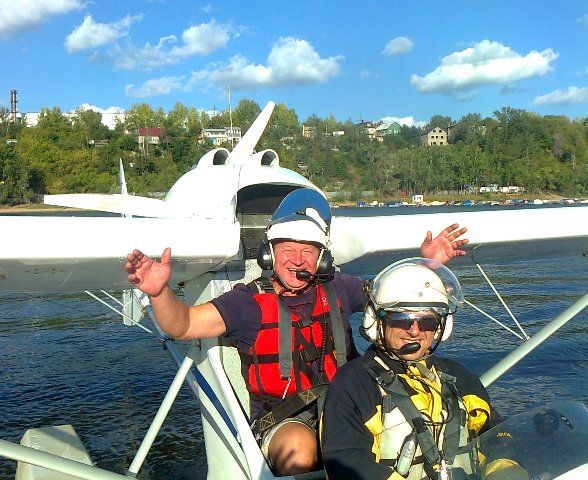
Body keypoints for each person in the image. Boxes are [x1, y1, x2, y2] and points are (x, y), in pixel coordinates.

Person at [125, 188, 469, 476]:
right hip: (285, 417)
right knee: (299, 450)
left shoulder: (338, 288)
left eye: (308, 251)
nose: (298, 259)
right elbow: (183, 324)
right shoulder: (248, 303)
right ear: (270, 255)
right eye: (287, 249)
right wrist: (160, 293)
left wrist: (426, 265)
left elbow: (391, 298)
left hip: (350, 403)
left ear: (321, 259)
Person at [320, 258, 529, 480]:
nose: (414, 331)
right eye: (402, 319)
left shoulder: (456, 377)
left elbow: (494, 431)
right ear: (376, 321)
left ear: (441, 327)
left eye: (427, 321)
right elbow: (346, 458)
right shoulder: (354, 383)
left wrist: (504, 466)